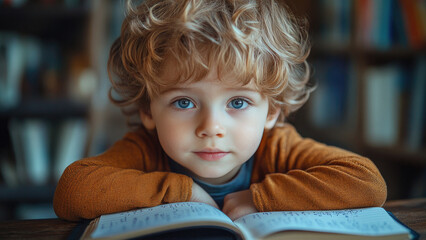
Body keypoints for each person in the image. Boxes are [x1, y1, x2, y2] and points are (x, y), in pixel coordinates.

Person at [53, 0, 387, 221]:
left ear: (271, 111)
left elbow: (367, 181)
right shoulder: (145, 149)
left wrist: (259, 199)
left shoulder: (278, 147)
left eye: (238, 102)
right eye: (184, 102)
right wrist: (179, 192)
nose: (211, 127)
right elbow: (73, 189)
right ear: (148, 110)